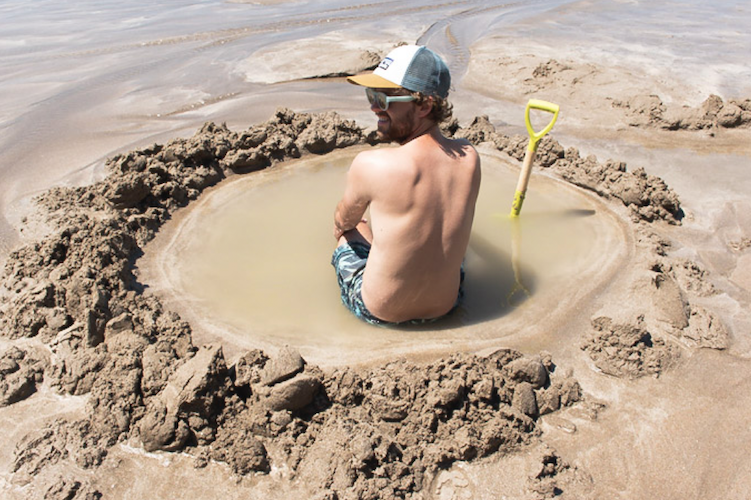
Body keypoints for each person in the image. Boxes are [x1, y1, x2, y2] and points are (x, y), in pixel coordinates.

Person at [331, 44, 481, 325]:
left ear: (424, 105)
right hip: (447, 306)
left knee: (354, 227)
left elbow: (343, 221)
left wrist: (348, 227)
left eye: (384, 99)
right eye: (371, 95)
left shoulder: (371, 164)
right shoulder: (470, 157)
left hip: (379, 312)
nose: (374, 106)